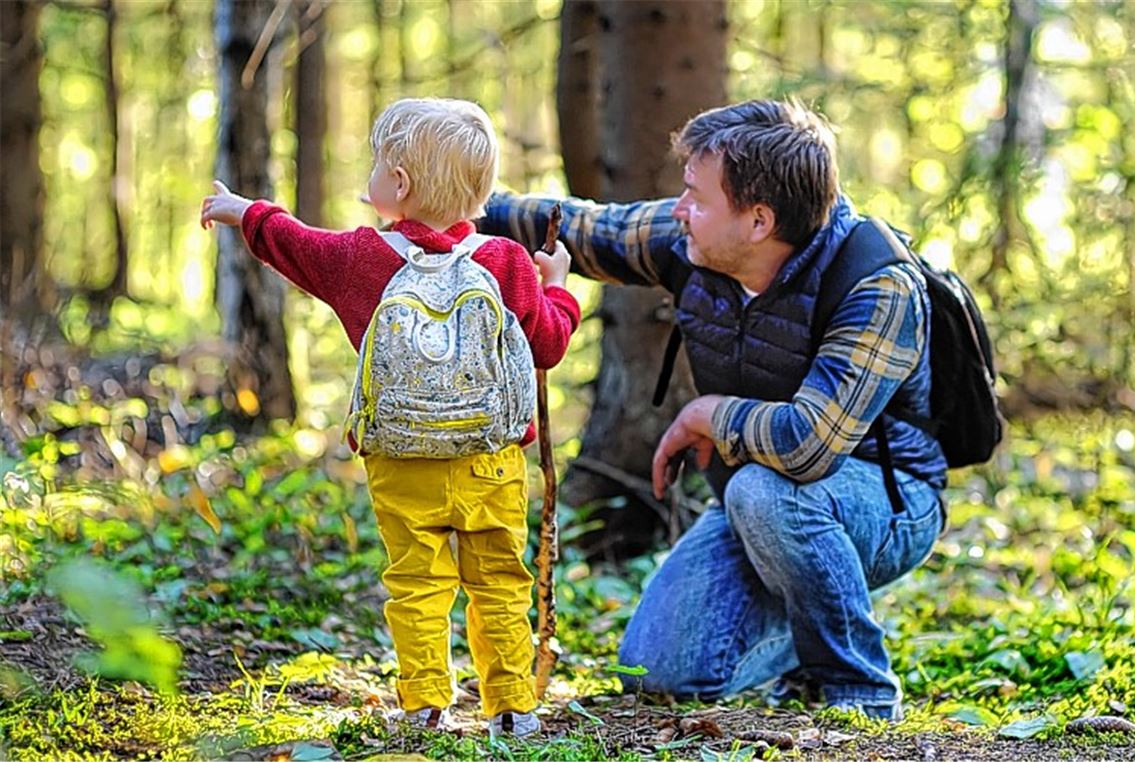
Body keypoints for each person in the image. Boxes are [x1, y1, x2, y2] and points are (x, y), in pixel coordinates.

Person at [479, 99, 947, 720]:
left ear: (758, 221)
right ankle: (817, 614)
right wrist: (453, 206)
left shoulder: (875, 283)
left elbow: (809, 444)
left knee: (763, 490)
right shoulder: (694, 242)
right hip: (760, 505)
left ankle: (857, 688)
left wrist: (708, 413)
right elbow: (586, 229)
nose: (680, 211)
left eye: (696, 197)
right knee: (658, 673)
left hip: (887, 503)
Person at [200, 97, 580, 737]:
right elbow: (548, 345)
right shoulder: (506, 262)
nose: (370, 174)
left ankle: (427, 701)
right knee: (498, 579)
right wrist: (559, 287)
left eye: (378, 164)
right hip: (490, 459)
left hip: (401, 459)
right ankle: (513, 707)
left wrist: (244, 213)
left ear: (397, 185)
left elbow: (295, 243)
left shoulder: (361, 259)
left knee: (417, 580)